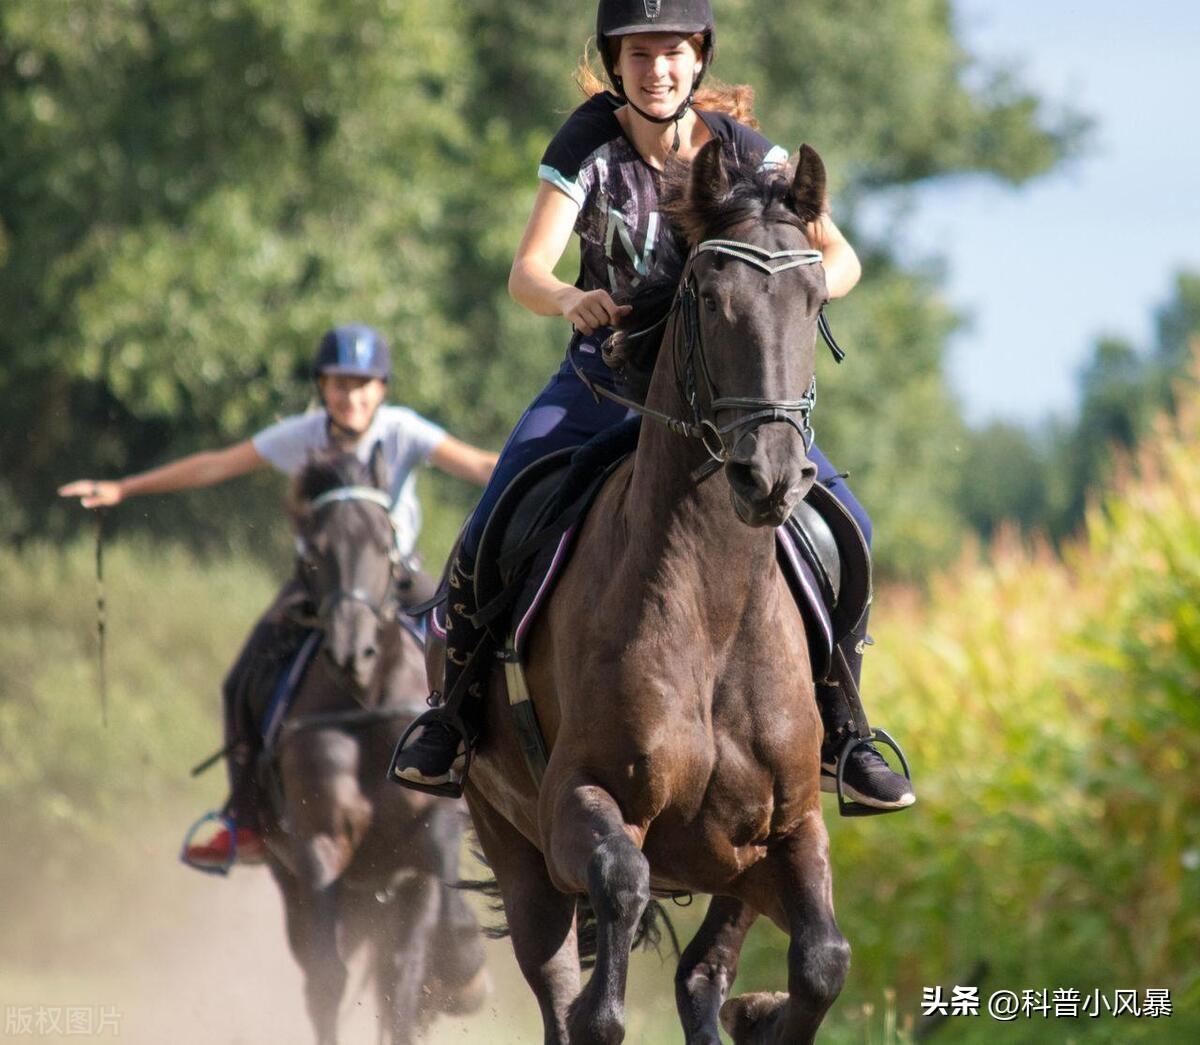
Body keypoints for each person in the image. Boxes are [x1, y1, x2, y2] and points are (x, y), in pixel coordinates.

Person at [391, 0, 914, 812]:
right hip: (600, 387)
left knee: (851, 526)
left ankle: (845, 729)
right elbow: (526, 270)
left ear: (699, 57)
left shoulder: (749, 155)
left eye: (672, 52)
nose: (656, 69)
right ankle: (451, 715)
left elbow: (837, 255)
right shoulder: (586, 143)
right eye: (638, 54)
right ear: (614, 62)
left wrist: (800, 287)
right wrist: (569, 296)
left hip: (726, 405)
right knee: (494, 511)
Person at [60, 324, 498, 867]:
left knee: (467, 648)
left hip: (395, 578)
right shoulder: (302, 435)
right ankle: (244, 820)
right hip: (318, 583)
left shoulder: (403, 430)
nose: (351, 396)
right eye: (339, 384)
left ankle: (491, 790)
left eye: (362, 384)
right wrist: (124, 489)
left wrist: (551, 470)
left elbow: (480, 466)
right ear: (321, 387)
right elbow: (216, 464)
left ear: (381, 388)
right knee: (241, 679)